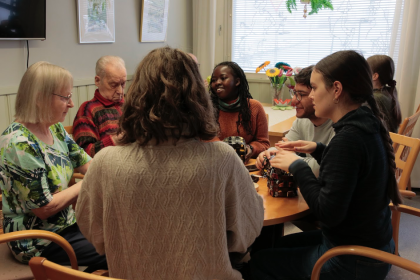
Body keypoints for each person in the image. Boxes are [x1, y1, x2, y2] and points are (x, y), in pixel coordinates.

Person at [76, 47, 264, 280]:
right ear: (198, 97)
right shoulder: (222, 158)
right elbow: (246, 234)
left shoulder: (104, 162)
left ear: (136, 95)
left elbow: (93, 233)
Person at [251, 50, 402, 280]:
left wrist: (297, 166)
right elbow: (350, 173)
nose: (310, 96)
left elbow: (327, 213)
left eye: (314, 88)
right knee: (271, 246)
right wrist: (319, 149)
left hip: (353, 259)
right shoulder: (364, 123)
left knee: (258, 263)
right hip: (372, 247)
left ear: (337, 90)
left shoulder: (348, 139)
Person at [0, 61, 107, 272]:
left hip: (67, 225)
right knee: (117, 250)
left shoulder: (55, 129)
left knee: (125, 237)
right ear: (39, 98)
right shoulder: (19, 144)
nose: (71, 103)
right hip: (39, 241)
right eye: (65, 97)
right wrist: (89, 182)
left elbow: (91, 165)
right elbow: (44, 208)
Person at [259, 65, 335, 177]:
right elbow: (282, 148)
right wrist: (269, 153)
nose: (294, 101)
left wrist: (291, 160)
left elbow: (320, 170)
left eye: (302, 95)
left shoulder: (339, 127)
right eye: (295, 93)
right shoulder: (302, 121)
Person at [210, 61, 270, 162]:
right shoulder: (207, 108)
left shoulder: (254, 107)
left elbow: (264, 143)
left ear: (237, 81)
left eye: (223, 78)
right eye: (214, 80)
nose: (217, 83)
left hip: (244, 166)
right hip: (215, 164)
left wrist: (250, 148)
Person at [72, 55, 127, 157]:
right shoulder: (88, 109)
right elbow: (83, 156)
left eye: (123, 84)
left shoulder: (131, 104)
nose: (120, 91)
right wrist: (115, 139)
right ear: (97, 81)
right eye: (113, 85)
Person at [367, 55, 402, 133]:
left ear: (375, 76)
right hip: (389, 140)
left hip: (383, 143)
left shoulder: (376, 98)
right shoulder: (387, 92)